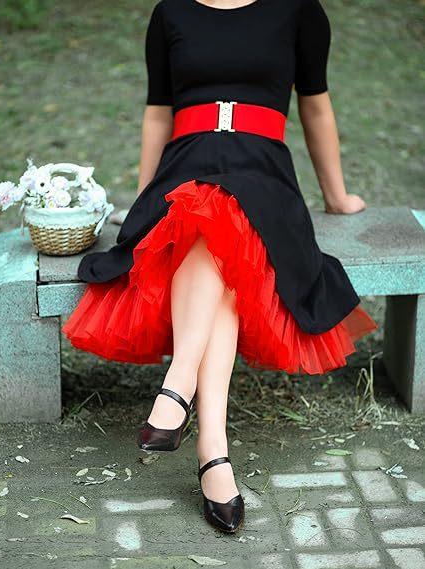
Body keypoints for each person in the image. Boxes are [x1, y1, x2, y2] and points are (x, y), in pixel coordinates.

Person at [62, 0, 378, 534]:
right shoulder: (171, 12)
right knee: (205, 215)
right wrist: (144, 201)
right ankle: (213, 447)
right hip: (185, 164)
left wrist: (337, 195)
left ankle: (178, 385)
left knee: (225, 213)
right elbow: (158, 113)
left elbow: (315, 106)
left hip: (262, 170)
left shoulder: (298, 10)